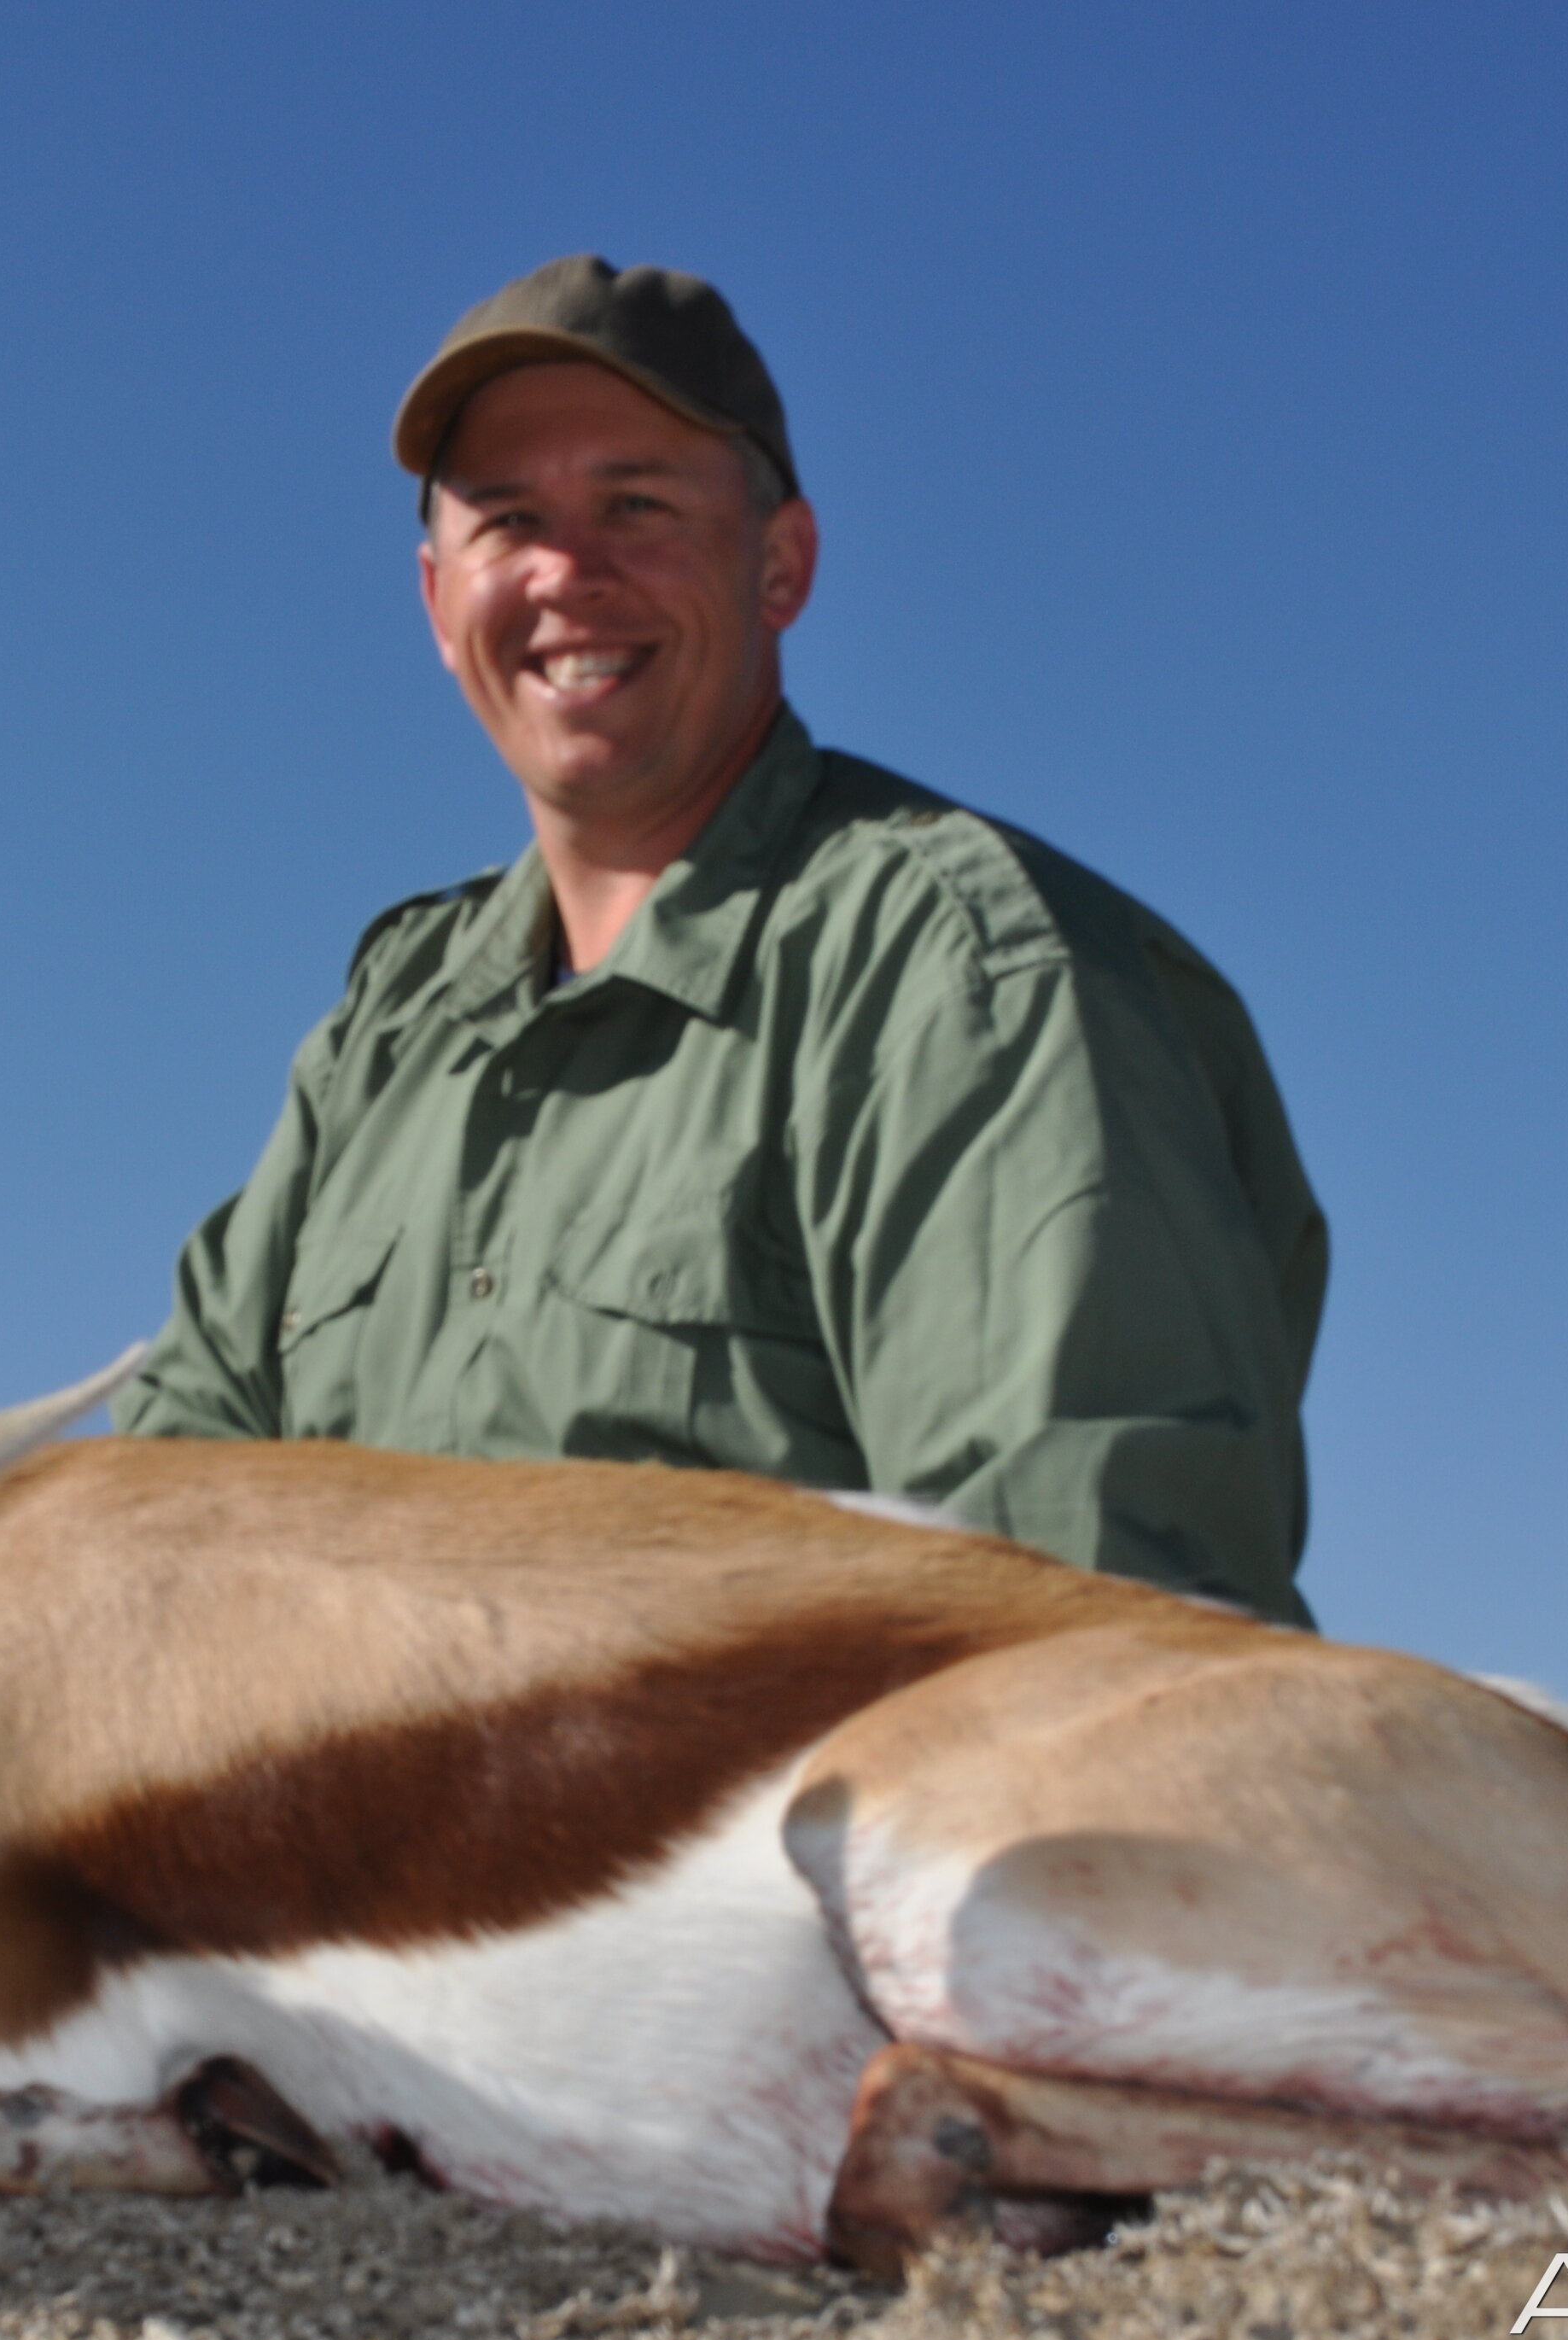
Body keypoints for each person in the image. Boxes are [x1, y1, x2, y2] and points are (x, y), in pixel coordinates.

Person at [115, 255, 1330, 1627]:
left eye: (636, 504)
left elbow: (1095, 1641)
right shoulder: (385, 1031)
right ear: (437, 605)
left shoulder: (973, 978)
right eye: (510, 520)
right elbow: (152, 1545)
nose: (569, 573)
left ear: (781, 564)